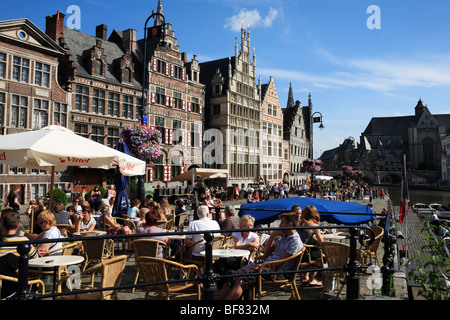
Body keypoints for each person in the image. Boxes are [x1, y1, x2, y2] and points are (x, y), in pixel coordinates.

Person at [217, 212, 303, 300]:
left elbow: (281, 263)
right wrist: (272, 236)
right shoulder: (283, 237)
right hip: (265, 265)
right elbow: (267, 252)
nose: (280, 225)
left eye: (282, 223)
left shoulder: (295, 242)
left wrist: (262, 265)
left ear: (290, 224)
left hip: (277, 271)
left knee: (241, 281)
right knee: (233, 276)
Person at [214, 214, 259, 288]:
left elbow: (255, 246)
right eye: (246, 226)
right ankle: (222, 286)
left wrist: (243, 247)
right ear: (241, 226)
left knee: (222, 262)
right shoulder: (236, 233)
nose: (249, 228)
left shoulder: (254, 236)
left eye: (250, 225)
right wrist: (249, 245)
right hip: (235, 257)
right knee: (222, 262)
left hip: (246, 260)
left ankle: (218, 285)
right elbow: (237, 246)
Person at [298, 205, 323, 287]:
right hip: (307, 253)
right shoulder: (314, 226)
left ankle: (304, 277)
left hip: (299, 251)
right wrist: (316, 240)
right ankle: (311, 279)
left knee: (312, 251)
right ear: (315, 214)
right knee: (321, 256)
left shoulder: (300, 224)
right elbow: (321, 242)